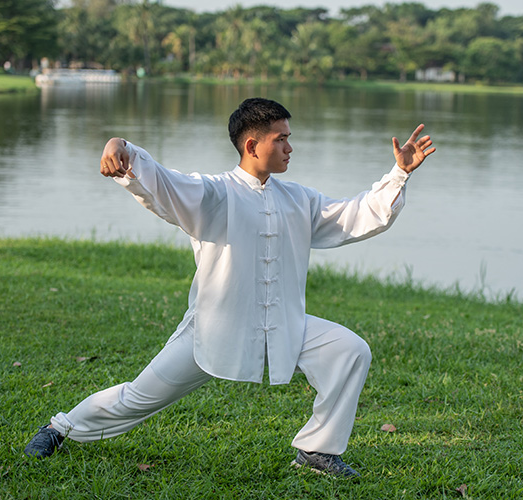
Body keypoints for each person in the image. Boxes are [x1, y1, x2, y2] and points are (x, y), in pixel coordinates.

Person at [23, 97, 435, 477]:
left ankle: (317, 451)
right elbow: (162, 184)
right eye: (282, 139)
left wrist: (399, 172)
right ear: (253, 145)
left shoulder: (300, 199)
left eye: (290, 138)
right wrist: (120, 145)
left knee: (349, 350)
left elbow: (355, 215)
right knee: (138, 398)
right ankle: (61, 427)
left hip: (284, 324)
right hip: (214, 328)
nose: (291, 148)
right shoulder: (213, 192)